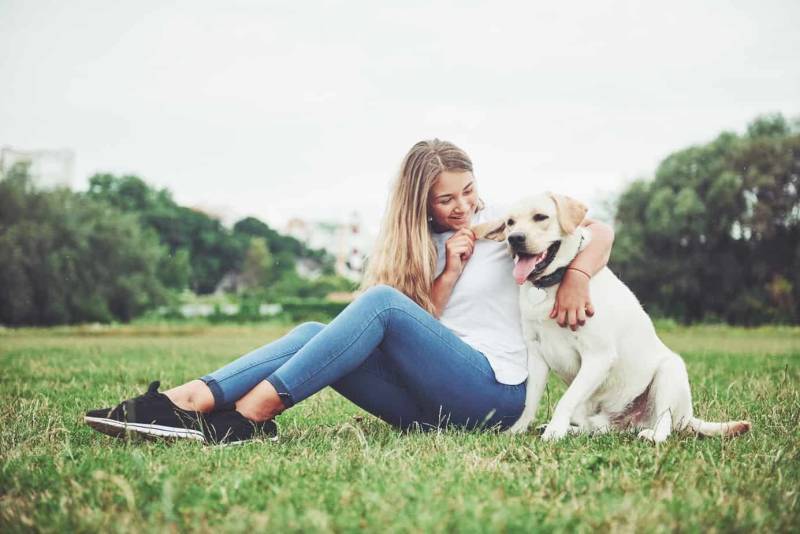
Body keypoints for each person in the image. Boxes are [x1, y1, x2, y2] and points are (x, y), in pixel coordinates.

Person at [84, 139, 614, 445]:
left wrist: (578, 276)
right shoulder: (417, 249)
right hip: (428, 407)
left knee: (381, 304)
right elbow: (416, 329)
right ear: (421, 203)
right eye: (446, 199)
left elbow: (601, 230)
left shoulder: (508, 227)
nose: (462, 206)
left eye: (468, 190)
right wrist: (448, 271)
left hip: (495, 398)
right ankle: (180, 403)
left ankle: (248, 418)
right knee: (320, 332)